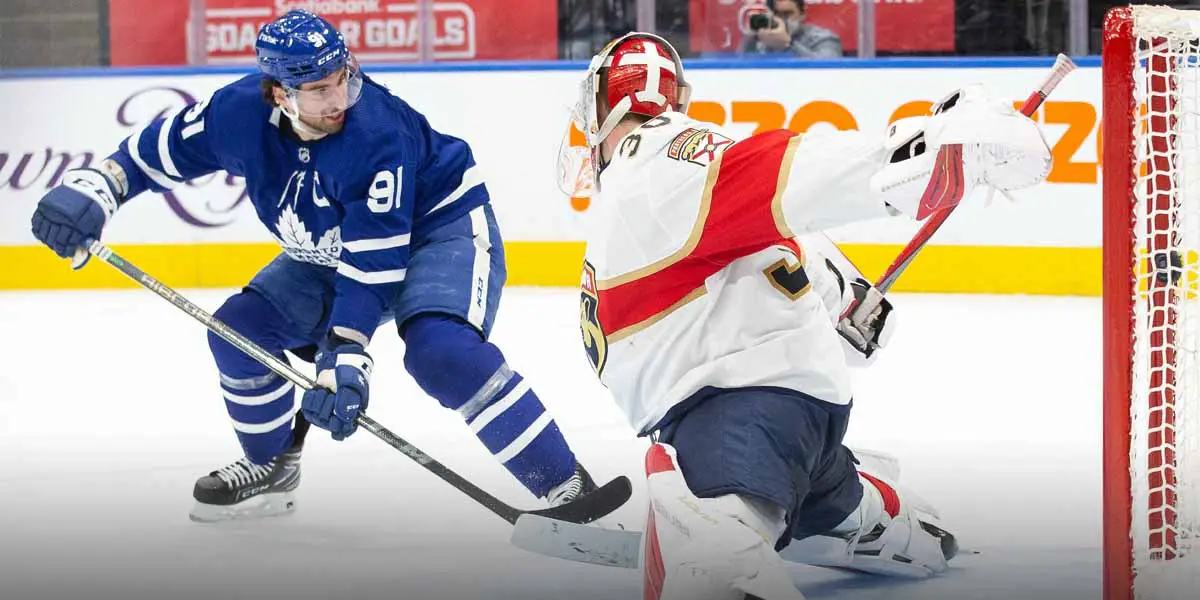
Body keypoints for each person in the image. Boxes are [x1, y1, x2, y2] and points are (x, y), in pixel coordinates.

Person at [30, 10, 601, 523]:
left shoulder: (376, 131)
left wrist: (345, 354)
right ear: (279, 94)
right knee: (236, 332)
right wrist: (95, 188)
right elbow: (153, 154)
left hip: (437, 228)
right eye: (320, 90)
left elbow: (374, 263)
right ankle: (271, 467)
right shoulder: (234, 114)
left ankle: (568, 487)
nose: (339, 100)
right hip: (329, 249)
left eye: (343, 80)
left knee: (441, 352)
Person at [560, 32, 1051, 599]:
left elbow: (782, 173)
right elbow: (784, 234)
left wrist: (925, 146)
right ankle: (873, 513)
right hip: (798, 424)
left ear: (603, 104)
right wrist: (847, 301)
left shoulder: (650, 157)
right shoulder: (659, 187)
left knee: (716, 531)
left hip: (735, 415)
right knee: (813, 482)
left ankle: (717, 538)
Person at [742, 0, 843, 59]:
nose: (782, 20)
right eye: (777, 14)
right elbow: (740, 69)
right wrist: (750, 38)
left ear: (802, 14)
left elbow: (829, 72)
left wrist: (788, 45)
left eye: (787, 14)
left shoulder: (824, 38)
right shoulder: (763, 39)